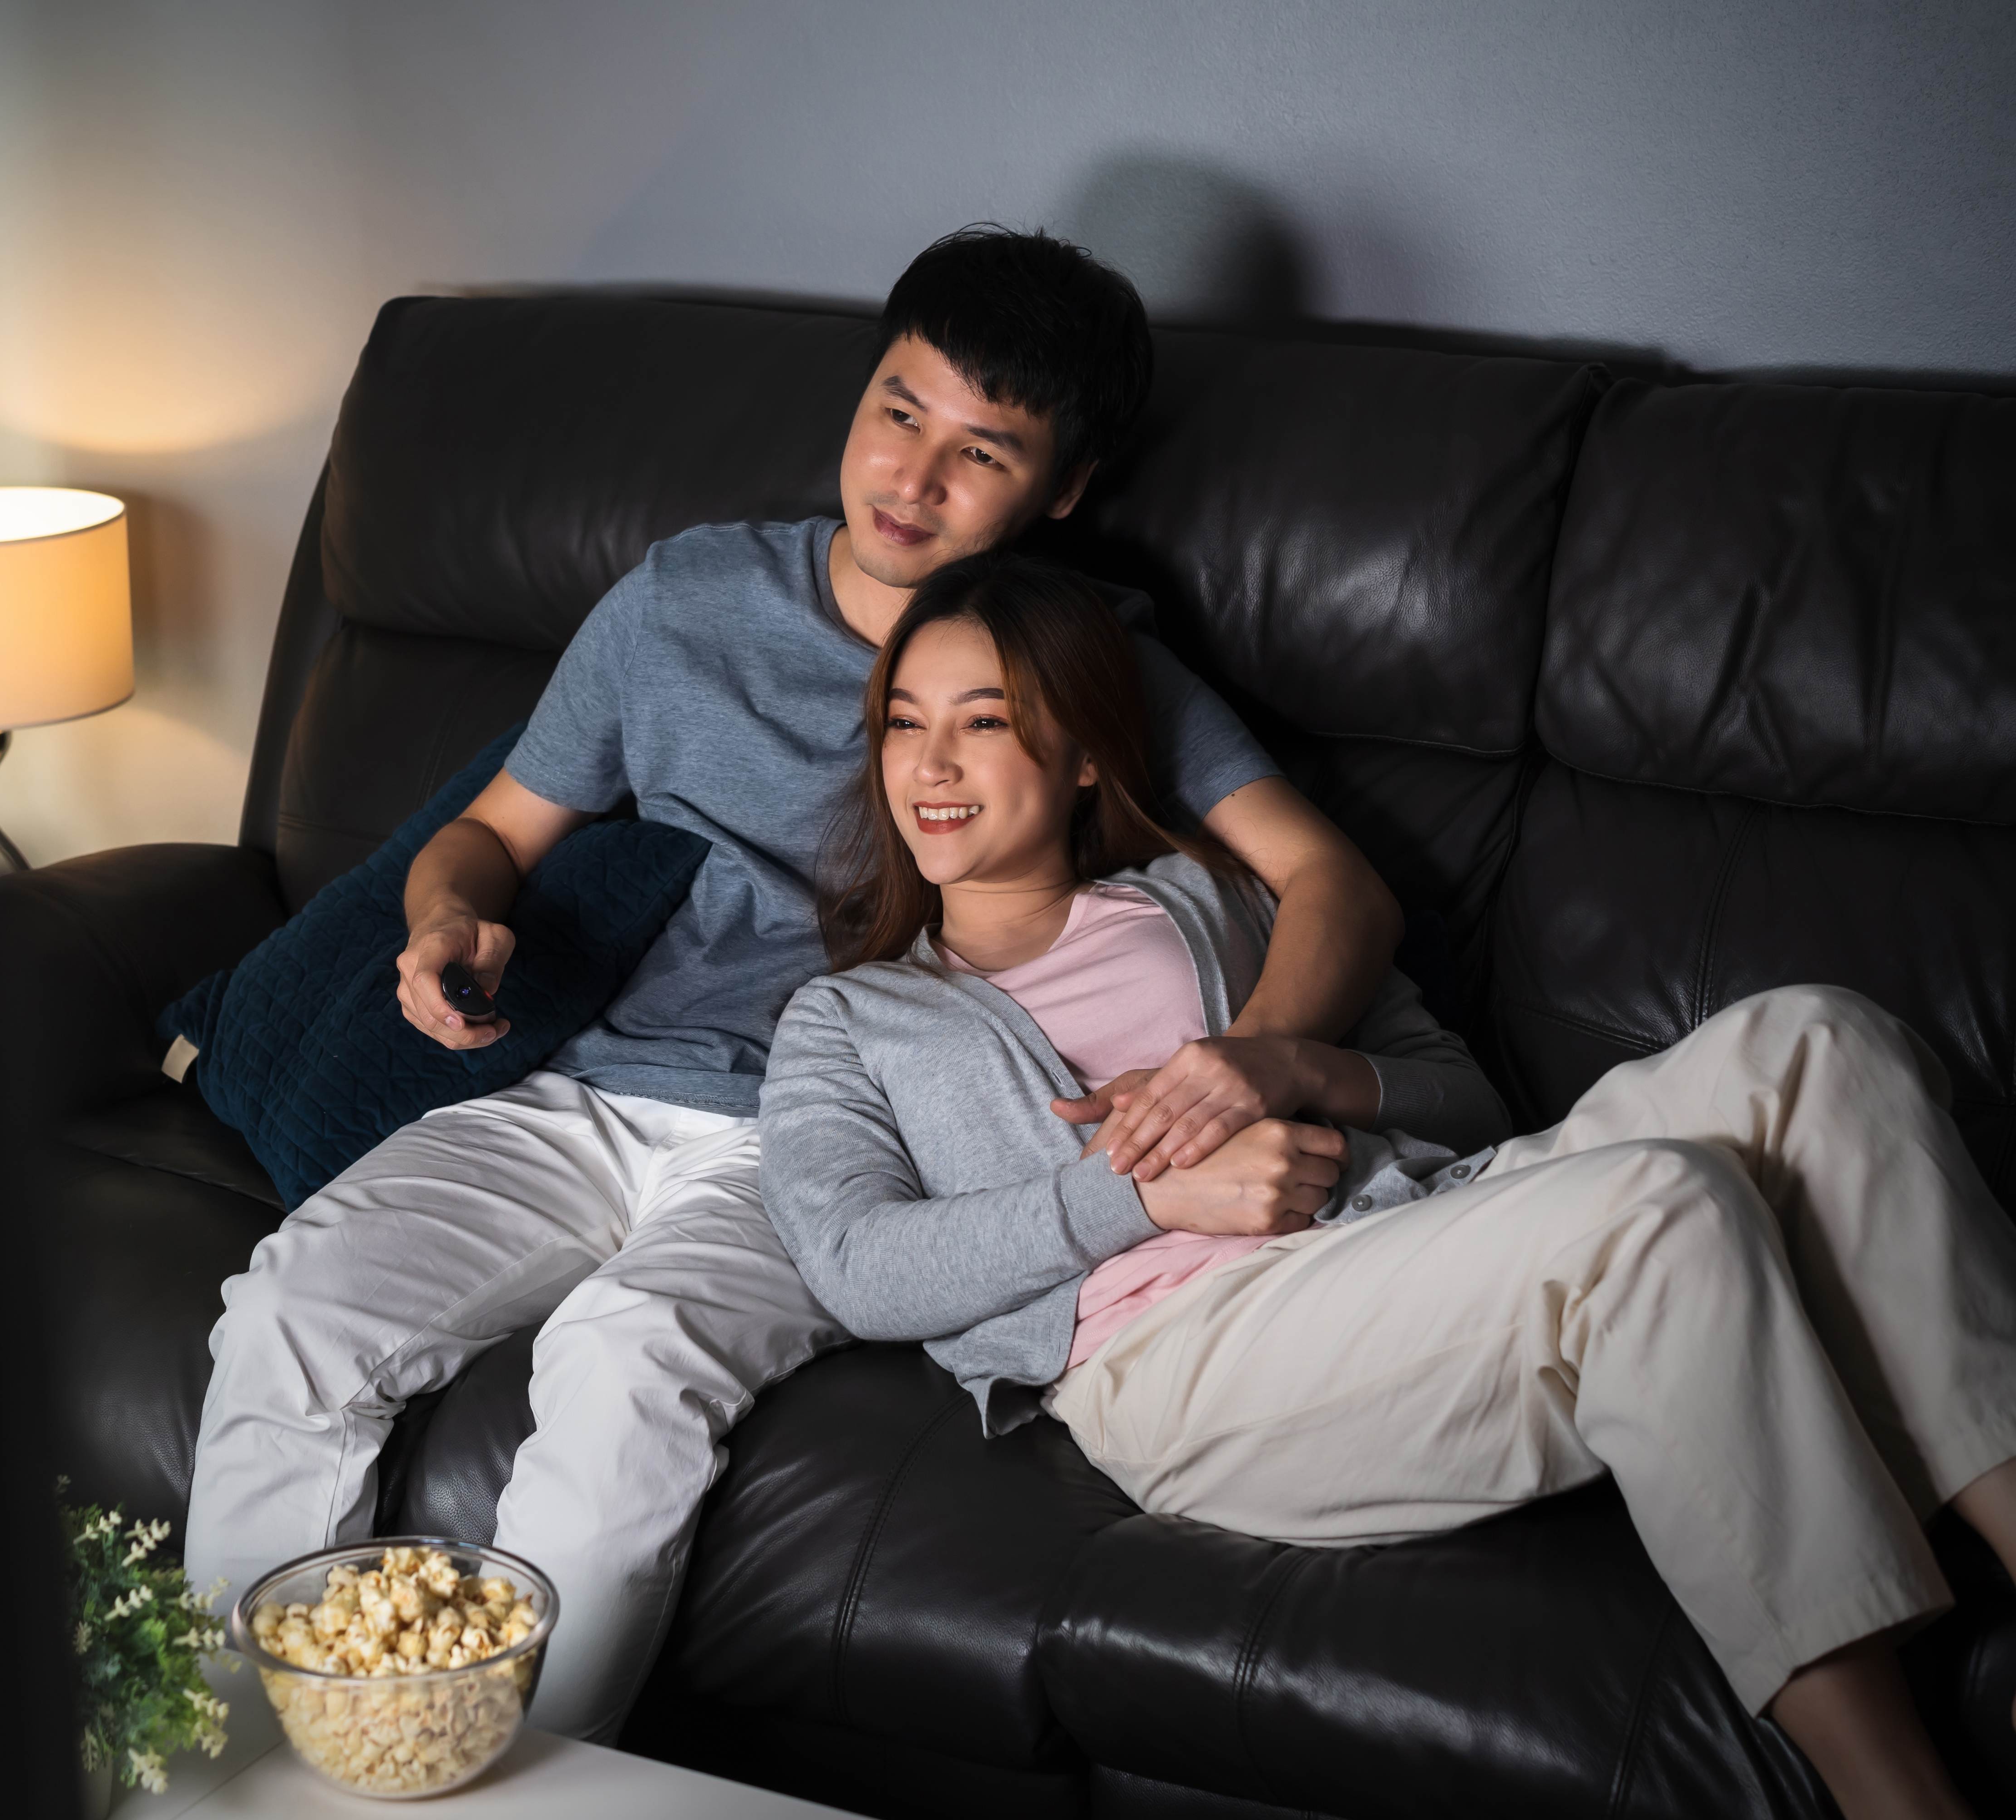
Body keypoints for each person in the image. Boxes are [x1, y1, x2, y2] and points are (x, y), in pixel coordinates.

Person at [182, 226, 1411, 1741]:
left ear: (1062, 494)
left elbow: (1336, 880)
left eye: (982, 452)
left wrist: (1264, 1052)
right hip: (582, 1094)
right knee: (290, 1311)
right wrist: (448, 926)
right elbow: (489, 838)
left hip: (830, 1139)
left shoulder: (1079, 665)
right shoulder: (681, 601)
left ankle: (521, 1787)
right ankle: (234, 1761)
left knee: (624, 1365)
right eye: (899, 412)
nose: (915, 479)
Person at [756, 548, 2016, 1820]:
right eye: (903, 724)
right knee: (1662, 1213)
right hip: (1180, 1353)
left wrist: (1292, 1067)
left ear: (1085, 751)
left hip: (1417, 1224)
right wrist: (1149, 1201)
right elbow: (860, 1266)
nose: (930, 765)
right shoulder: (852, 1020)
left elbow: (1461, 1097)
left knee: (1821, 1047)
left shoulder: (1213, 900)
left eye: (983, 721)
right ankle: (1894, 1797)